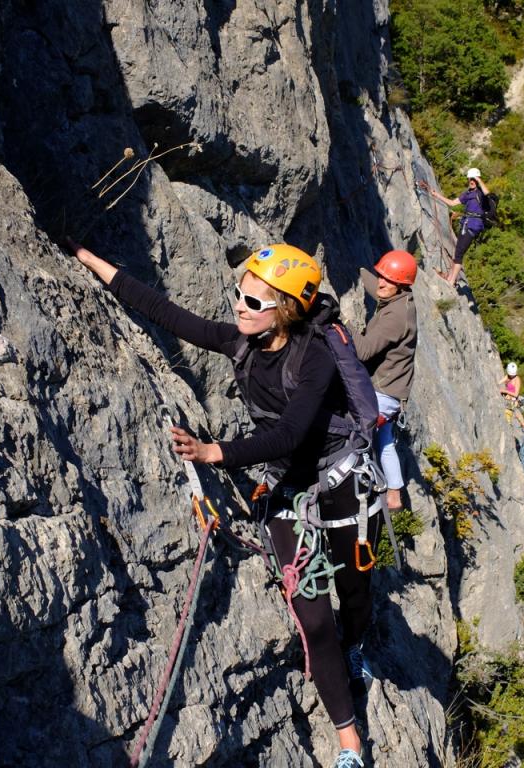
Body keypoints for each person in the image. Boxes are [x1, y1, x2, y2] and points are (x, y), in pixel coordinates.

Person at [68, 240, 378, 768]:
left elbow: (291, 432)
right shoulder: (240, 342)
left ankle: (358, 642)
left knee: (354, 585)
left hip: (341, 479)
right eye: (240, 295)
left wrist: (217, 452)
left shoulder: (317, 356)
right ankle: (349, 740)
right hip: (288, 489)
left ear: (286, 309)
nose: (239, 306)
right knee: (312, 616)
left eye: (254, 302)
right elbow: (168, 314)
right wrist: (93, 262)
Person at [355, 250, 418, 514]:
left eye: (387, 280)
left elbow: (364, 351)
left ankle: (357, 489)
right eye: (380, 276)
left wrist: (341, 322)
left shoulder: (396, 317)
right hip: (392, 391)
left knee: (352, 432)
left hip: (382, 393)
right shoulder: (399, 298)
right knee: (385, 440)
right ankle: (394, 495)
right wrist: (359, 270)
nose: (381, 283)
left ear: (401, 285)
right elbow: (376, 285)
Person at [427, 167, 489, 287]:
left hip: (473, 226)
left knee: (459, 253)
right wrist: (436, 195)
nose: (471, 181)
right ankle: (450, 278)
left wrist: (479, 180)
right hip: (466, 223)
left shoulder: (480, 194)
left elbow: (488, 193)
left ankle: (451, 281)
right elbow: (452, 203)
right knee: (457, 252)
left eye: (474, 180)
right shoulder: (467, 193)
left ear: (477, 180)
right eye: (470, 179)